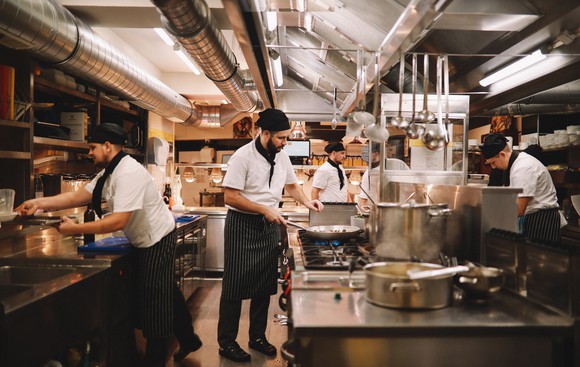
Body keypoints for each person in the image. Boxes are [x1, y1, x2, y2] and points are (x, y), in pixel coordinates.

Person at [15, 123, 201, 366]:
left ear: (107, 146)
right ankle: (189, 340)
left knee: (154, 302)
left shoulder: (128, 173)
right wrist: (37, 203)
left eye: (92, 148)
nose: (89, 153)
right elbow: (76, 196)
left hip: (157, 238)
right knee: (167, 291)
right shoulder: (109, 173)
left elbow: (118, 221)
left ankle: (154, 361)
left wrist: (73, 229)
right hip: (143, 238)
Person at [217, 108, 323, 363]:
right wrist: (264, 209)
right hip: (242, 224)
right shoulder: (242, 157)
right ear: (264, 133)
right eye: (280, 138)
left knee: (264, 285)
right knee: (234, 285)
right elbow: (230, 197)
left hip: (268, 224)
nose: (285, 143)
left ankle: (257, 337)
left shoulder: (282, 155)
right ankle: (227, 342)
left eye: (286, 138)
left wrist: (308, 202)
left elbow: (291, 185)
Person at [480, 133, 561, 244]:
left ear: (502, 155)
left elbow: (518, 209)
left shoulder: (523, 168)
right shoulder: (517, 164)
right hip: (535, 217)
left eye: (493, 163)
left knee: (540, 258)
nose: (493, 167)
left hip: (541, 220)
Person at [359, 142, 410, 206]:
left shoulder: (399, 164)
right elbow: (363, 199)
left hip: (401, 208)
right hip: (379, 210)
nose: (368, 164)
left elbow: (411, 187)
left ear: (377, 154)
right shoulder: (367, 174)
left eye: (370, 161)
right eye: (367, 162)